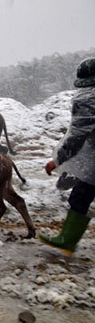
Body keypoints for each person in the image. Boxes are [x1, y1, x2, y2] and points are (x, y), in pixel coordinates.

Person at [39, 57, 95, 255]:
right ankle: (67, 240)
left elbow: (77, 135)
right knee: (81, 194)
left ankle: (68, 241)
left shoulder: (88, 98)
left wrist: (58, 160)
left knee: (80, 196)